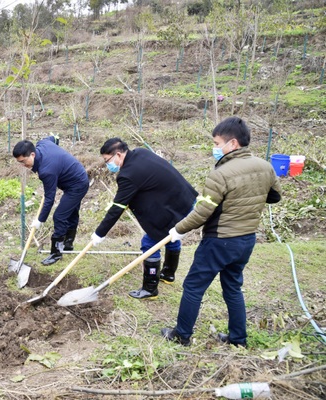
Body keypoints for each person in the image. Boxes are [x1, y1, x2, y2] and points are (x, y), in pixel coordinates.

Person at [162, 117, 282, 347]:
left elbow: (202, 213)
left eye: (217, 143)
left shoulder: (222, 174)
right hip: (246, 239)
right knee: (233, 287)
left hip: (220, 241)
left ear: (233, 143)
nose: (215, 148)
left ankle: (182, 334)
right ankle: (238, 339)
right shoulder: (265, 166)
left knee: (193, 287)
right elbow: (274, 196)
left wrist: (178, 230)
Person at [90, 138, 198, 300]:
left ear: (118, 155)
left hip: (175, 207)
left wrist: (100, 233)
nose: (107, 165)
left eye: (107, 161)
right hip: (185, 200)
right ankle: (168, 274)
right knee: (170, 234)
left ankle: (150, 288)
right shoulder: (141, 153)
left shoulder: (127, 175)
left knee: (150, 243)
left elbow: (117, 209)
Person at [13, 136, 89, 265]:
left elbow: (50, 198)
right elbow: (53, 138)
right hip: (74, 176)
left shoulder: (46, 171)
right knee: (70, 212)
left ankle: (56, 253)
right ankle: (68, 245)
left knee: (59, 216)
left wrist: (40, 220)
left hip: (77, 184)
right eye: (20, 162)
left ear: (32, 154)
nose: (23, 165)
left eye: (24, 161)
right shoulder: (43, 143)